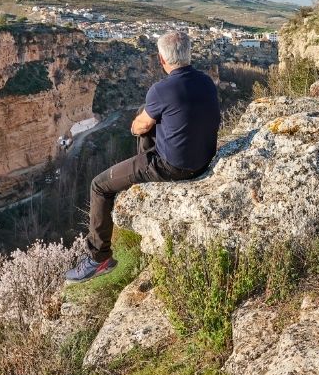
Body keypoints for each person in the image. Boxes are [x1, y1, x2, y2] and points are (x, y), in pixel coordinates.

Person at [65, 31, 220, 282]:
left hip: (173, 167)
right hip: (203, 159)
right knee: (145, 111)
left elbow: (138, 128)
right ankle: (144, 168)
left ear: (161, 59)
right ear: (189, 54)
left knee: (99, 186)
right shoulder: (205, 81)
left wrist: (139, 123)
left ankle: (98, 257)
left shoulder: (161, 89)